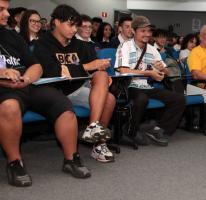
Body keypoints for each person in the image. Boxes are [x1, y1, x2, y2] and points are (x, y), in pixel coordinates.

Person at [0, 0, 90, 187]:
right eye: (2, 10)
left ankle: (71, 159)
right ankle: (15, 163)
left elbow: (35, 65)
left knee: (63, 105)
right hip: (4, 89)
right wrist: (2, 73)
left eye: (7, 10)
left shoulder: (12, 37)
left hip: (27, 84)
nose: (7, 15)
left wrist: (26, 79)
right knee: (9, 106)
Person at [33, 4, 116, 163]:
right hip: (55, 91)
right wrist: (87, 67)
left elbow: (93, 68)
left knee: (107, 90)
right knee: (106, 93)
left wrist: (99, 75)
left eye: (75, 26)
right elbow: (52, 71)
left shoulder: (80, 45)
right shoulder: (42, 44)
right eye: (70, 25)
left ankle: (95, 136)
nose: (73, 29)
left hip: (77, 88)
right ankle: (95, 133)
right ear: (56, 22)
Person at [115, 16, 186, 146]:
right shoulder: (124, 47)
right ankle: (130, 130)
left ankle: (159, 129)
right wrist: (149, 73)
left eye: (149, 31)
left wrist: (161, 71)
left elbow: (167, 72)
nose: (147, 34)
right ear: (134, 31)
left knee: (179, 99)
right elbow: (123, 70)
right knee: (142, 98)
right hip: (127, 86)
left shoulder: (152, 49)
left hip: (146, 86)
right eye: (143, 31)